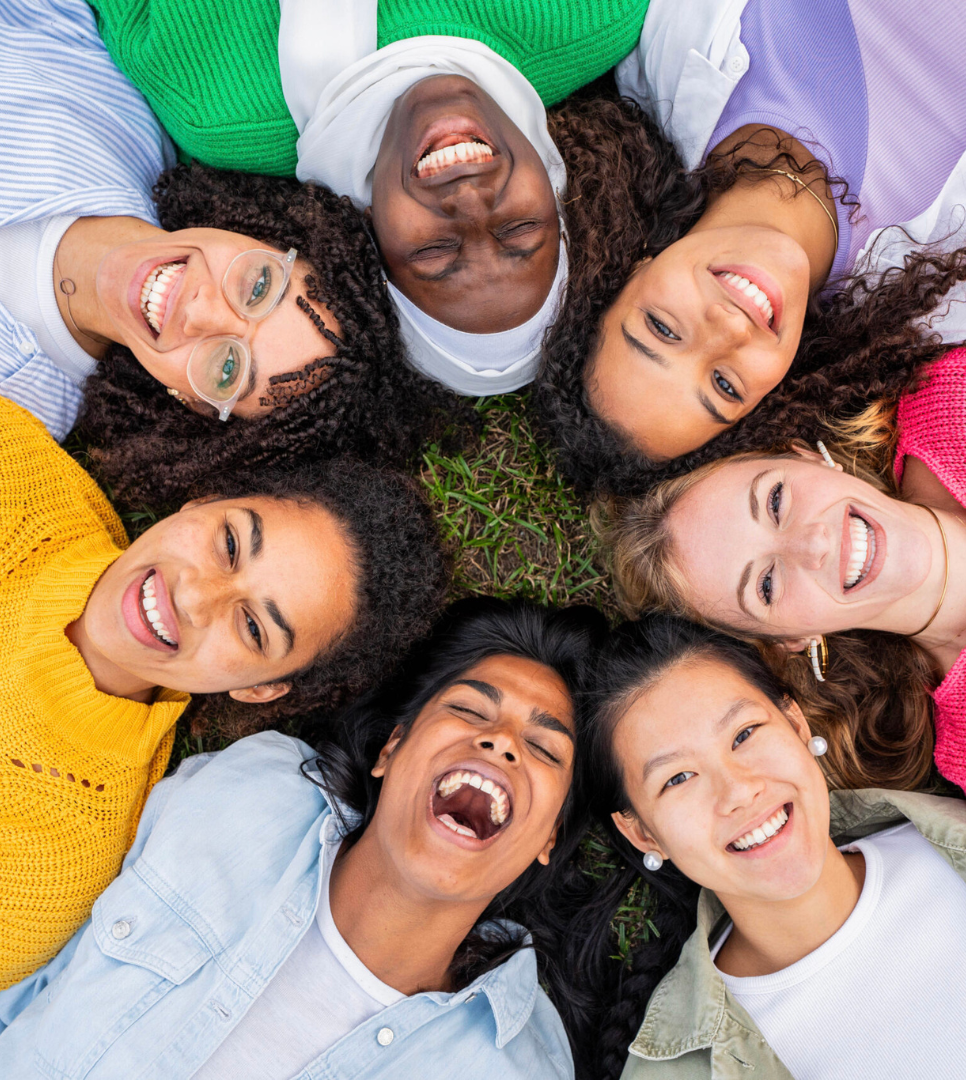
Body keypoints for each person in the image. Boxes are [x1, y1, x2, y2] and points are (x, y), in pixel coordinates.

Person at [0, 597, 607, 1080]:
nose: (502, 742)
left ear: (549, 837)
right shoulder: (249, 792)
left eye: (543, 747)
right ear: (391, 749)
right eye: (470, 711)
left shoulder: (515, 1065)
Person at [534, 0, 966, 495]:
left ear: (630, 268)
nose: (728, 329)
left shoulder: (669, 50)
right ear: (767, 400)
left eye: (663, 328)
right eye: (725, 385)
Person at [0, 392, 447, 989]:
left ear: (260, 690)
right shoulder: (18, 473)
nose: (193, 597)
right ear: (204, 500)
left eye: (253, 627)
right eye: (230, 544)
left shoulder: (49, 865)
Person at [596, 314, 966, 853]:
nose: (813, 544)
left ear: (805, 455)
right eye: (766, 585)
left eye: (776, 500)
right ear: (790, 640)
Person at [566, 616, 966, 1080]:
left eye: (744, 734)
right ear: (643, 833)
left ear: (796, 725)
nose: (738, 791)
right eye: (678, 778)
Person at [1, 0, 462, 509]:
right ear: (260, 234)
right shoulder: (117, 110)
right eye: (259, 286)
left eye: (227, 370)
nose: (201, 311)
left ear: (193, 405)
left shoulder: (19, 420)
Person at [88, 0, 651, 394]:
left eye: (434, 251)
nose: (469, 202)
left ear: (367, 230)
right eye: (520, 229)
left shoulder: (217, 109)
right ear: (555, 188)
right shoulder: (594, 16)